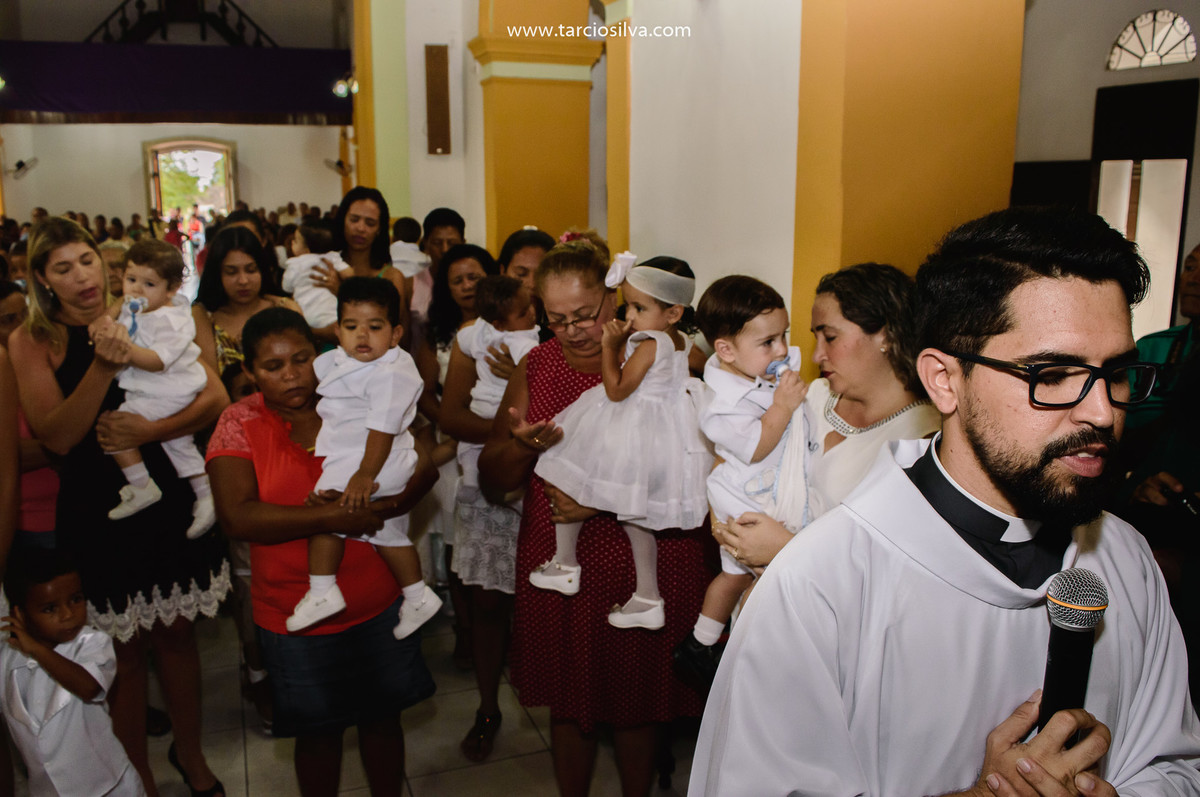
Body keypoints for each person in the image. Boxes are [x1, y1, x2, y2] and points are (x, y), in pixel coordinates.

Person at [690, 207, 1200, 796]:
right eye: (1053, 373)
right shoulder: (819, 585)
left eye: (1116, 372)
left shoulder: (1126, 558)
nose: (1103, 413)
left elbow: (1175, 766)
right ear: (944, 380)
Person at [478, 237, 709, 796]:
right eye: (556, 319)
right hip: (563, 556)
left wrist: (595, 502)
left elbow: (695, 468)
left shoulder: (674, 361)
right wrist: (522, 447)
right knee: (567, 697)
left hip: (649, 552)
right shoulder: (537, 367)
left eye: (586, 315)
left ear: (617, 301)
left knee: (637, 701)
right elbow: (492, 480)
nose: (574, 330)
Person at [7, 217, 230, 795]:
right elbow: (57, 437)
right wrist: (105, 363)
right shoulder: (33, 340)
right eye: (63, 268)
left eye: (86, 261)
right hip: (96, 505)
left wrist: (154, 430)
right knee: (122, 652)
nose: (83, 277)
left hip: (163, 484)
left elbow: (215, 396)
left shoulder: (142, 310)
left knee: (178, 636)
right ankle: (139, 774)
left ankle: (192, 754)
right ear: (41, 280)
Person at [206, 307, 436, 795]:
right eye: (272, 366)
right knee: (318, 737)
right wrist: (332, 518)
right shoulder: (238, 422)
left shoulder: (357, 390)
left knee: (381, 723)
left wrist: (387, 503)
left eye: (301, 359)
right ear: (249, 371)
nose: (290, 374)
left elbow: (425, 467)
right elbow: (238, 516)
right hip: (294, 612)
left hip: (376, 599)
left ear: (322, 354)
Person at [530, 254, 711, 631]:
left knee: (564, 468)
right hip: (664, 433)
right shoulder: (682, 341)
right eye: (628, 305)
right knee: (636, 516)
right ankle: (647, 596)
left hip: (632, 425)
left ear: (674, 312)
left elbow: (616, 390)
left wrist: (611, 348)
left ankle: (565, 562)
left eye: (640, 308)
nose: (629, 317)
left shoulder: (649, 343)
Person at [287, 278, 443, 638]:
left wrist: (362, 475)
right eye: (351, 326)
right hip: (364, 456)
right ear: (337, 329)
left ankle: (323, 591)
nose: (362, 336)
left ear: (395, 333)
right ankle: (418, 596)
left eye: (375, 327)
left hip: (374, 458)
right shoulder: (346, 360)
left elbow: (383, 428)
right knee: (388, 533)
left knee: (326, 518)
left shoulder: (391, 371)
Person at [674, 275, 804, 680]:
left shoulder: (751, 368)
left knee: (744, 579)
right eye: (768, 342)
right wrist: (782, 406)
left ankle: (717, 642)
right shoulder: (720, 406)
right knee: (736, 575)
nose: (782, 349)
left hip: (766, 486)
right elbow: (756, 447)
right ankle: (701, 644)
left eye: (783, 335)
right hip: (742, 495)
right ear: (726, 350)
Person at [438, 273, 540, 761]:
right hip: (492, 479)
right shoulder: (471, 338)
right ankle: (486, 706)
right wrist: (509, 438)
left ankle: (553, 698)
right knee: (488, 604)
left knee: (545, 603)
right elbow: (451, 418)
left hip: (542, 480)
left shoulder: (549, 336)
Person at [0, 549, 146, 796]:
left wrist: (37, 650)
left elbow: (89, 687)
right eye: (50, 609)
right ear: (20, 615)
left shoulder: (93, 644)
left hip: (109, 787)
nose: (68, 614)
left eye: (76, 599)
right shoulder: (7, 659)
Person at [97, 240, 215, 538]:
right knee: (179, 444)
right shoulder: (138, 305)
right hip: (153, 389)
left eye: (148, 283)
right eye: (130, 279)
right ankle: (206, 493)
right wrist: (109, 314)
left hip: (169, 389)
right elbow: (113, 313)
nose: (136, 289)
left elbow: (157, 362)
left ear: (172, 288)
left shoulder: (173, 320)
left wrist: (124, 350)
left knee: (119, 428)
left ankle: (141, 485)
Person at [192, 225, 300, 374]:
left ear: (262, 270)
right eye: (231, 272)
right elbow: (211, 379)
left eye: (251, 270)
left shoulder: (285, 309)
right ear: (217, 275)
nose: (243, 281)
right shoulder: (203, 316)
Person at [312, 187, 411, 344]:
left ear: (379, 229)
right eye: (354, 219)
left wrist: (341, 292)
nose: (360, 228)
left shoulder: (390, 277)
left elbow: (390, 336)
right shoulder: (326, 264)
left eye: (370, 223)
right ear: (343, 220)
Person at [280, 220, 348, 340]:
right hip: (332, 315)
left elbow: (286, 287)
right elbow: (349, 274)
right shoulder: (332, 257)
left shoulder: (295, 264)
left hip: (305, 316)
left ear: (306, 250)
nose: (292, 242)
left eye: (295, 240)